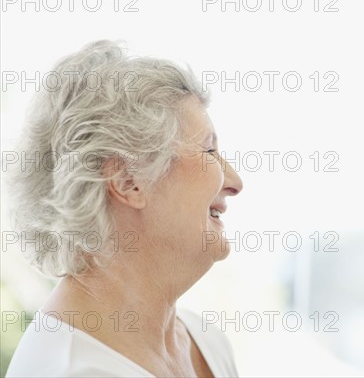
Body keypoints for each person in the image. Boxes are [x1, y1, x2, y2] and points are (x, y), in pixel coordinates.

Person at [6, 40, 243, 377]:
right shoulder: (71, 371)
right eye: (208, 151)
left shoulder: (205, 342)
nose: (235, 181)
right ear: (128, 180)